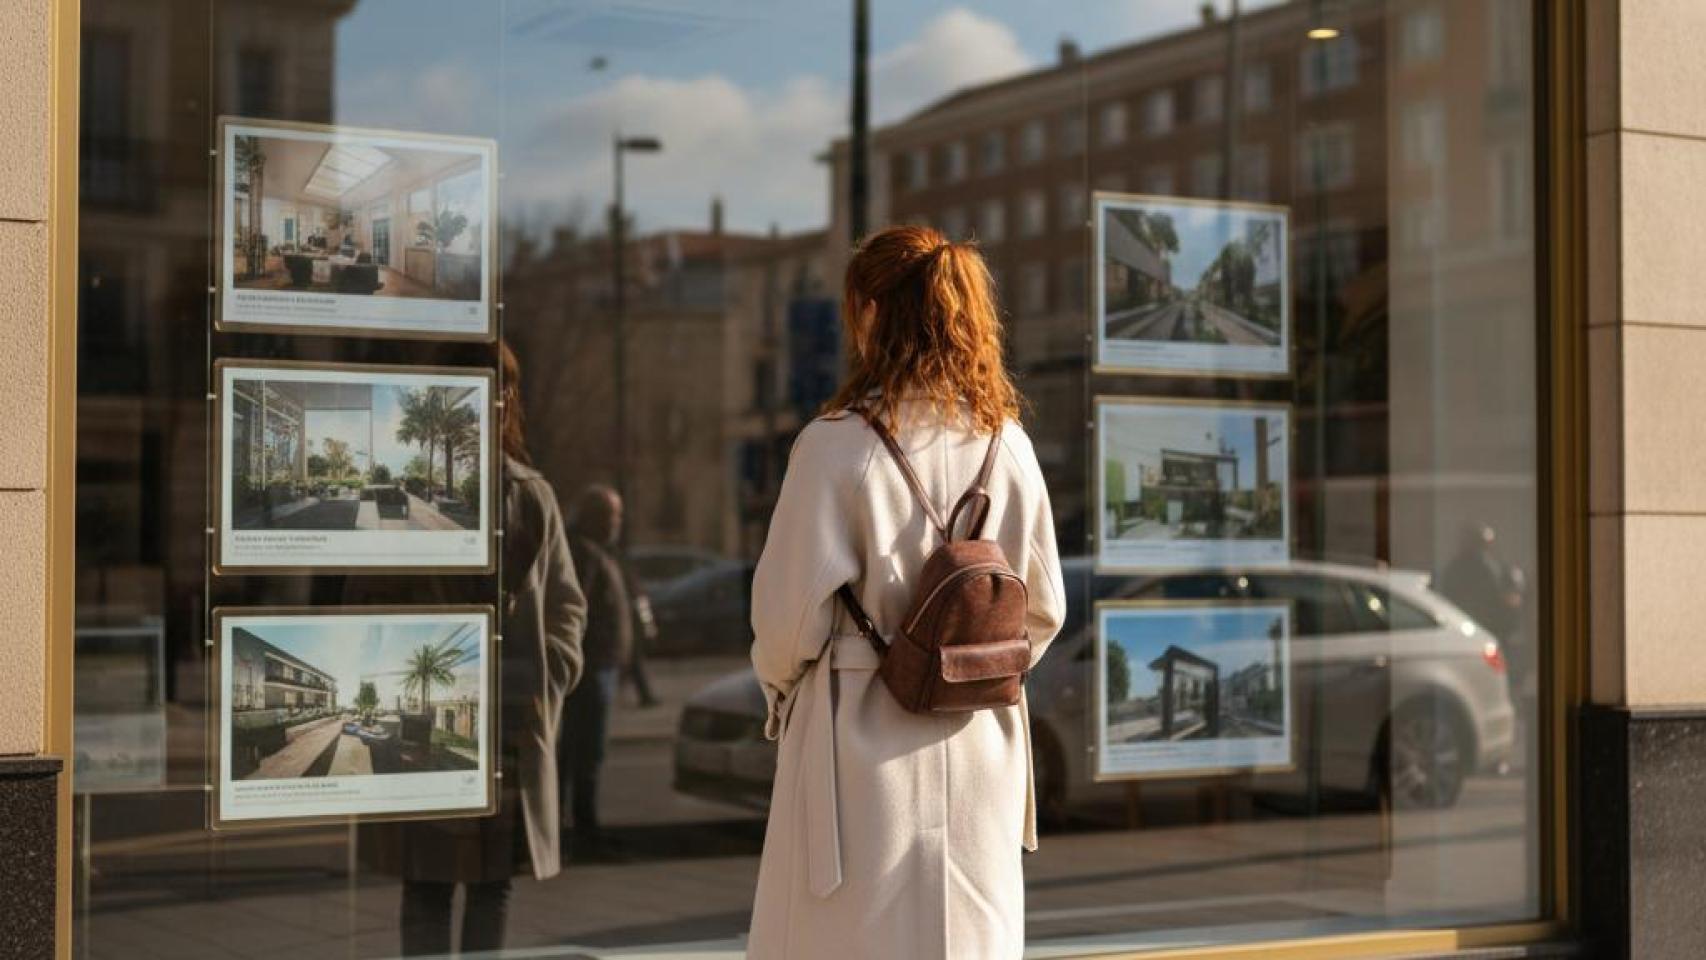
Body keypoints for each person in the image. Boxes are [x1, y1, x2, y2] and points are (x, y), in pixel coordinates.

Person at [746, 225, 1067, 958]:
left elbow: (786, 620)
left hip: (859, 753)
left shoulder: (836, 445)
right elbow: (1043, 608)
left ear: (871, 313)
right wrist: (968, 662)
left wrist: (786, 692)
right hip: (980, 741)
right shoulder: (1006, 443)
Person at [360, 342, 588, 956]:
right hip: (427, 715)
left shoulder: (531, 493)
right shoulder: (406, 495)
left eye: (504, 387)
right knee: (427, 884)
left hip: (509, 720)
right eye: (477, 386)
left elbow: (567, 601)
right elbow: (367, 591)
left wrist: (551, 675)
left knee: (493, 884)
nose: (496, 398)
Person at [560, 484, 640, 858]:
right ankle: (578, 830)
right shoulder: (585, 555)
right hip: (591, 671)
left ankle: (574, 827)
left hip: (601, 668)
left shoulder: (597, 553)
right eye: (612, 515)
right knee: (584, 752)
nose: (617, 523)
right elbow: (577, 614)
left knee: (583, 752)